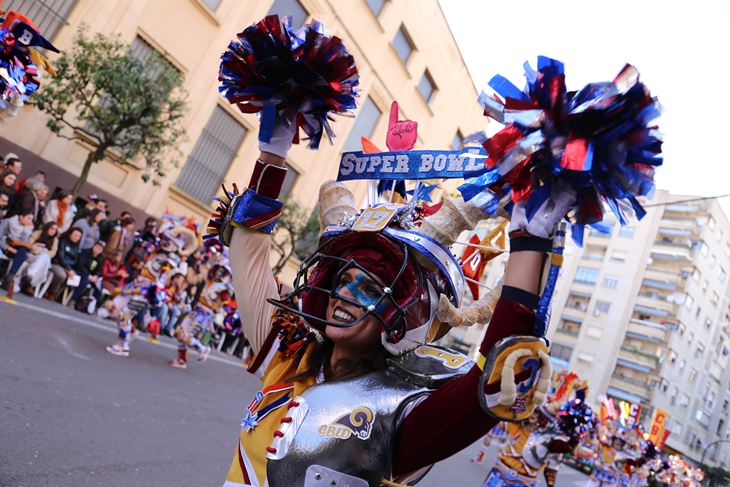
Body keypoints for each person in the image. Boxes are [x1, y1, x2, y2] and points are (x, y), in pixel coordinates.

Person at [214, 114, 572, 486]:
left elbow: (494, 385)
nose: (345, 294)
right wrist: (273, 152)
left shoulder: (400, 411)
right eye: (343, 279)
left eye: (370, 289)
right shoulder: (288, 357)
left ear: (404, 316)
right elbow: (250, 257)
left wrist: (529, 241)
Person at [20, 221, 60, 294]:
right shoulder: (38, 233)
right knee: (44, 259)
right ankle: (30, 285)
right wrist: (40, 250)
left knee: (45, 258)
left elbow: (53, 253)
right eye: (52, 228)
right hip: (32, 257)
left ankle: (29, 277)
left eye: (55, 230)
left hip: (44, 259)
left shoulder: (55, 240)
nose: (53, 231)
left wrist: (43, 252)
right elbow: (30, 244)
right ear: (47, 227)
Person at [0, 209, 34, 290]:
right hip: (4, 246)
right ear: (21, 217)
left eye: (32, 219)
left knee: (23, 250)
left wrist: (25, 231)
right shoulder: (8, 222)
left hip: (16, 250)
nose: (30, 221)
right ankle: (9, 277)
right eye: (28, 218)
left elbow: (23, 243)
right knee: (22, 254)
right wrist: (8, 248)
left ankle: (10, 275)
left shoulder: (27, 228)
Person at [47, 227, 83, 302]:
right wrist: (67, 267)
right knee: (62, 275)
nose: (77, 237)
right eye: (75, 235)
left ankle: (57, 292)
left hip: (67, 267)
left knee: (73, 278)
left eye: (79, 236)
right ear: (70, 234)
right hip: (57, 263)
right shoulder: (63, 241)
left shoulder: (76, 246)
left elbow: (75, 260)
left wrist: (68, 267)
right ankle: (52, 292)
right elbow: (60, 256)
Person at [67, 240, 105, 310]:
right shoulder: (85, 252)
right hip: (81, 272)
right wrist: (88, 275)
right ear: (93, 246)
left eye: (99, 249)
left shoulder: (100, 258)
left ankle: (93, 306)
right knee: (85, 281)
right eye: (96, 247)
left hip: (92, 276)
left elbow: (99, 270)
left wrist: (96, 276)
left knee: (100, 286)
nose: (97, 250)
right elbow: (80, 264)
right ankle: (73, 300)